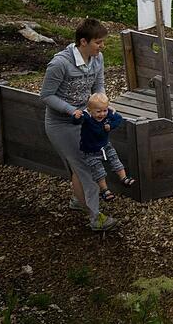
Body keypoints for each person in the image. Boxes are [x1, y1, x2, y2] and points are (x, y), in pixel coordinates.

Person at [40, 18, 116, 231]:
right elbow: (46, 96)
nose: (102, 47)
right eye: (98, 42)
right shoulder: (59, 64)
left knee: (82, 163)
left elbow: (98, 84)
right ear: (83, 42)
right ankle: (95, 217)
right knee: (87, 167)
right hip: (60, 124)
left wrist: (102, 105)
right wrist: (70, 110)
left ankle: (78, 200)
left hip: (85, 120)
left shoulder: (97, 58)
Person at [78, 93, 135, 201]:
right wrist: (76, 116)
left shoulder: (108, 113)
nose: (102, 114)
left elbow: (118, 119)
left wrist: (111, 126)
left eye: (104, 110)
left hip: (105, 146)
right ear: (90, 111)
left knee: (115, 160)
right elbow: (76, 121)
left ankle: (124, 178)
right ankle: (105, 190)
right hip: (90, 151)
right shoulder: (86, 117)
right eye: (98, 111)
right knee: (99, 171)